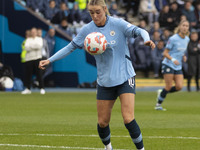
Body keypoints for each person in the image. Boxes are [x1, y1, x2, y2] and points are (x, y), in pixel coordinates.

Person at [39, 0, 155, 149]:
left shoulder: (118, 24)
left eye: (98, 12)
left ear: (105, 9)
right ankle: (108, 147)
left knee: (128, 118)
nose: (95, 16)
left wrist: (146, 39)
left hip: (125, 76)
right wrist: (49, 60)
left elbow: (140, 31)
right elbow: (70, 47)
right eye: (91, 12)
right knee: (102, 122)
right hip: (105, 80)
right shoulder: (87, 30)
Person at [155, 20, 190, 111]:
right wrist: (173, 59)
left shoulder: (187, 39)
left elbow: (180, 51)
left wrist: (184, 56)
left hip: (178, 66)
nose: (185, 27)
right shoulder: (173, 38)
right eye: (183, 25)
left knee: (179, 86)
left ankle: (162, 92)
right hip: (168, 64)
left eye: (187, 26)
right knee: (168, 86)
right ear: (179, 26)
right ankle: (158, 105)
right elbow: (165, 53)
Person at [22, 27, 45, 94]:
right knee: (28, 75)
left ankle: (42, 88)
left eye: (34, 32)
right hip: (29, 59)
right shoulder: (28, 39)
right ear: (31, 32)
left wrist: (31, 46)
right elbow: (26, 47)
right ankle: (28, 89)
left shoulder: (39, 39)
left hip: (37, 59)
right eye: (32, 32)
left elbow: (39, 46)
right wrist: (34, 46)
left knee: (39, 74)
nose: (33, 33)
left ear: (36, 32)